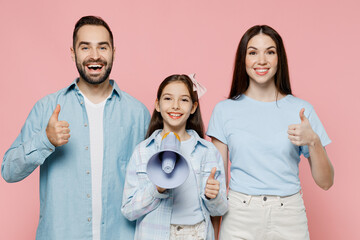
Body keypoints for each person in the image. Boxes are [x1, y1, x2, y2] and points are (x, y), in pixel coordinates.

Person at [1, 16, 150, 240]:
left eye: (102, 47)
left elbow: (150, 184)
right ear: (73, 53)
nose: (95, 55)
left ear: (113, 52)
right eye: (85, 47)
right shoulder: (47, 108)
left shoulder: (138, 114)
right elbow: (8, 171)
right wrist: (45, 140)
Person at [207, 25, 334, 240]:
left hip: (289, 215)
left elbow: (326, 182)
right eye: (253, 52)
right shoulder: (224, 110)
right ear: (243, 59)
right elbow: (218, 185)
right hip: (239, 214)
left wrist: (313, 141)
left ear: (279, 58)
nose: (262, 61)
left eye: (270, 52)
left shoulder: (301, 110)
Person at [121, 74, 228, 239]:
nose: (175, 106)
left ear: (193, 107)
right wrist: (156, 189)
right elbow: (128, 210)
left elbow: (220, 210)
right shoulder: (143, 151)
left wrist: (212, 196)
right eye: (168, 98)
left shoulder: (207, 151)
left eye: (184, 100)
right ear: (157, 105)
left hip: (196, 233)